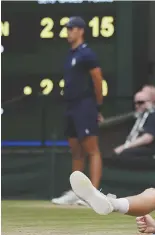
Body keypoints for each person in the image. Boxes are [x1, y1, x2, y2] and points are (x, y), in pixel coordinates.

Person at [52, 16, 104, 205]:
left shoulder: (87, 54)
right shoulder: (70, 55)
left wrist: (97, 105)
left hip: (85, 105)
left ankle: (94, 194)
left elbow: (98, 80)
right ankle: (77, 192)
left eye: (72, 28)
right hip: (71, 106)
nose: (69, 32)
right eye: (67, 29)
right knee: (76, 151)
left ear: (81, 30)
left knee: (92, 149)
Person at [113, 90, 155, 158]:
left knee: (125, 153)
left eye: (140, 102)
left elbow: (147, 138)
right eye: (135, 103)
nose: (137, 106)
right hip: (145, 149)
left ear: (150, 102)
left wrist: (125, 147)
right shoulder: (142, 116)